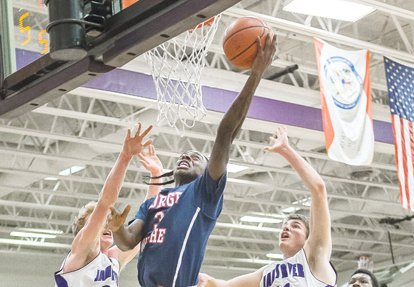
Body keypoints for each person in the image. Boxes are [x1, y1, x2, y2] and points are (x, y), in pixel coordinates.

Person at [108, 34, 276, 287]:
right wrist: (117, 228)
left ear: (209, 170)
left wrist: (255, 75)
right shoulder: (155, 202)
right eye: (183, 154)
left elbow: (226, 134)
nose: (186, 155)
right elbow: (128, 241)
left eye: (195, 157)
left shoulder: (204, 192)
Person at [197, 127, 337, 287]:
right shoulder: (268, 272)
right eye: (285, 226)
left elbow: (318, 189)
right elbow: (224, 285)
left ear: (308, 238)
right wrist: (200, 278)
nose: (287, 229)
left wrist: (286, 150)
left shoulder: (316, 255)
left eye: (295, 226)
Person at [54, 123, 162, 286]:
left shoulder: (112, 259)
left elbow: (146, 226)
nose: (106, 224)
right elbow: (105, 203)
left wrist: (156, 175)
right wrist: (125, 157)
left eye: (107, 221)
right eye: (101, 221)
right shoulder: (82, 250)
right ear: (84, 230)